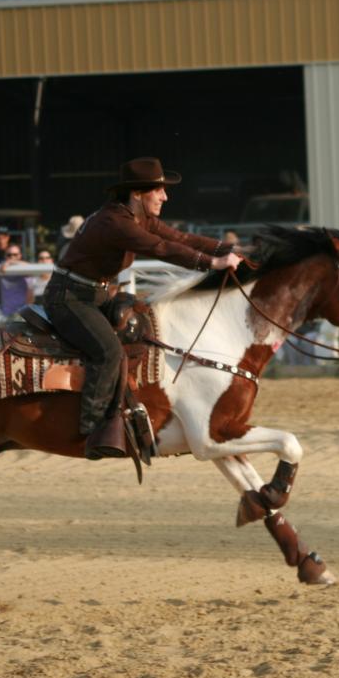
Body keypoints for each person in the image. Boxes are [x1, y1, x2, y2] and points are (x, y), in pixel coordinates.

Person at [47, 157, 242, 458]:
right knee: (108, 350)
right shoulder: (115, 222)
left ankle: (128, 410)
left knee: (139, 334)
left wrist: (228, 250)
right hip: (69, 298)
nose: (165, 196)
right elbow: (160, 248)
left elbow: (180, 238)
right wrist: (212, 263)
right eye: (159, 190)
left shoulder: (134, 217)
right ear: (137, 193)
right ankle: (92, 427)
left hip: (92, 295)